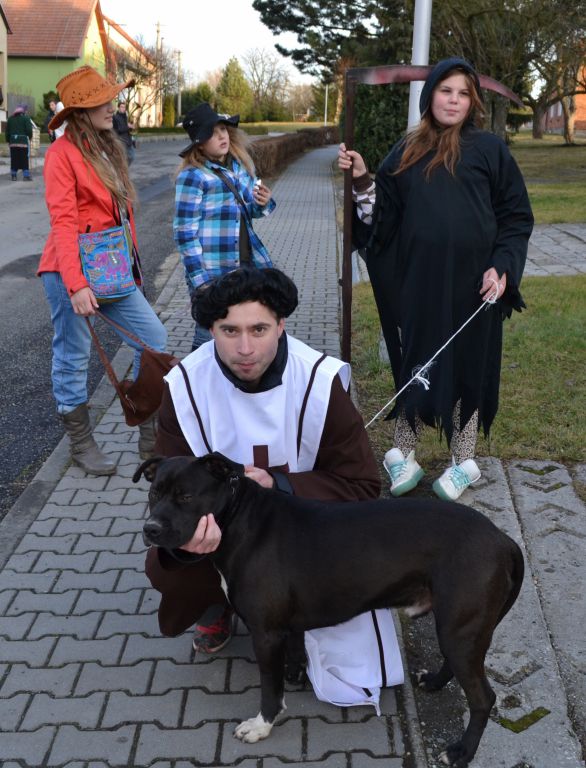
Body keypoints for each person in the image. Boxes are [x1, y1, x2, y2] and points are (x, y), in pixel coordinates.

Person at [145, 267, 403, 710]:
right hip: (218, 532)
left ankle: (293, 612)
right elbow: (167, 484)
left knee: (351, 664)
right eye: (229, 331)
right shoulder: (185, 386)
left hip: (300, 534)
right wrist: (186, 542)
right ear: (211, 330)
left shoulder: (318, 382)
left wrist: (279, 482)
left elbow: (362, 487)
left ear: (281, 325)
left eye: (259, 329)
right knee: (167, 560)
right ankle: (217, 607)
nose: (245, 348)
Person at [338, 57, 534, 501]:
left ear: (472, 102)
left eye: (463, 93)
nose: (454, 100)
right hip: (420, 283)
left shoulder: (490, 150)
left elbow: (516, 217)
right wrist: (363, 179)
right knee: (419, 363)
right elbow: (381, 217)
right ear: (430, 96)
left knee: (469, 365)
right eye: (446, 90)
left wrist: (502, 266)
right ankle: (402, 453)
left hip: (476, 286)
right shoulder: (406, 151)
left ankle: (463, 461)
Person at [38, 65, 167, 476]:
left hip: (111, 269)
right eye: (103, 102)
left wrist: (131, 268)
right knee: (73, 356)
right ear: (81, 111)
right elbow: (63, 223)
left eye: (111, 99)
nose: (113, 107)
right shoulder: (61, 155)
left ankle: (148, 434)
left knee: (153, 339)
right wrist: (76, 285)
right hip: (69, 272)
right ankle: (81, 444)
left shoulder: (109, 147)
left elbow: (120, 218)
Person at [175, 102, 275, 350]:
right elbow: (185, 233)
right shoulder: (193, 176)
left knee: (243, 331)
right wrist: (201, 282)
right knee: (207, 337)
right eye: (213, 133)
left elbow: (250, 210)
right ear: (200, 143)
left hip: (245, 264)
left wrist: (263, 202)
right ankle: (197, 375)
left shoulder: (239, 167)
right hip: (212, 271)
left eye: (223, 129)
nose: (222, 136)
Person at [5, 104, 33, 181]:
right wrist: (30, 136)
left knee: (14, 159)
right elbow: (29, 130)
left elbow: (7, 131)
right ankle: (26, 176)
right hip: (23, 142)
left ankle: (13, 175)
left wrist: (8, 140)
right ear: (24, 111)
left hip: (13, 142)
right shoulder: (26, 118)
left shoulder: (10, 119)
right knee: (24, 159)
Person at [112, 100, 135, 165]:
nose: (123, 108)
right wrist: (128, 127)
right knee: (124, 158)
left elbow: (128, 128)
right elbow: (117, 130)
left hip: (129, 140)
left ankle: (124, 168)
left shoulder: (126, 117)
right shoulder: (115, 117)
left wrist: (132, 127)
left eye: (124, 107)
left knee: (132, 157)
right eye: (121, 107)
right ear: (118, 108)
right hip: (122, 141)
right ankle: (123, 169)